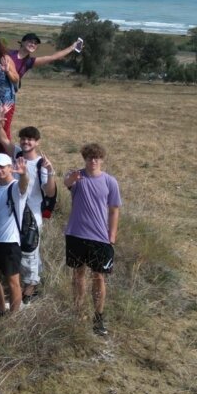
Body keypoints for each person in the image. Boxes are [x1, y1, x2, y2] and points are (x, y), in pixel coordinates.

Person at [64, 143, 122, 336]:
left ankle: (99, 317)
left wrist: (112, 235)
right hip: (76, 234)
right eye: (89, 158)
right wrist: (70, 180)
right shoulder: (77, 177)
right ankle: (77, 311)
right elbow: (67, 183)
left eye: (96, 158)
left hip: (100, 237)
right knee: (78, 275)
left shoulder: (110, 182)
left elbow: (114, 210)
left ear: (102, 159)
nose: (93, 161)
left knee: (98, 277)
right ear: (85, 159)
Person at [13, 127, 57, 301]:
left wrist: (51, 172)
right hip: (15, 213)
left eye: (30, 139)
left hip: (33, 215)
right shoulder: (17, 155)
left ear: (37, 142)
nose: (26, 142)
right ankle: (31, 285)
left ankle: (29, 291)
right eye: (23, 138)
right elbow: (2, 139)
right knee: (24, 251)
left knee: (30, 251)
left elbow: (50, 192)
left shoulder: (41, 164)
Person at [0, 154, 30, 316]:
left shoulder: (16, 187)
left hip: (10, 242)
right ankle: (1, 308)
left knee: (13, 281)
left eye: (3, 166)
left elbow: (24, 186)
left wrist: (23, 174)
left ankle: (14, 317)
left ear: (10, 167)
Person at [8, 33, 80, 84]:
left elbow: (53, 57)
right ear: (23, 42)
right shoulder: (8, 53)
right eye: (30, 41)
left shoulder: (29, 62)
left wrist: (72, 47)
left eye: (35, 43)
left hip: (8, 94)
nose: (33, 44)